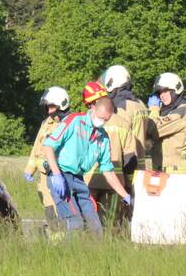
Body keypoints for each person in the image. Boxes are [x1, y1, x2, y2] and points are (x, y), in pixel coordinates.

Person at [42, 82, 132, 236]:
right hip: (61, 176)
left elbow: (108, 172)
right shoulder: (74, 121)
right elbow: (48, 146)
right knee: (75, 224)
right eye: (100, 117)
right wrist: (56, 175)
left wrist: (125, 195)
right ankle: (65, 256)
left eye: (105, 120)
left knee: (96, 228)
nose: (101, 121)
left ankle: (94, 256)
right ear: (93, 108)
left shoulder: (102, 138)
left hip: (79, 179)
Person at [90, 64, 148, 226]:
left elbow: (118, 144)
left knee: (115, 218)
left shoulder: (119, 109)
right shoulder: (141, 105)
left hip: (123, 168)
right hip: (140, 168)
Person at [24, 86, 71, 222]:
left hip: (57, 175)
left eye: (52, 107)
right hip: (44, 176)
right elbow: (37, 148)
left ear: (61, 105)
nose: (49, 110)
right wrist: (29, 169)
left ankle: (64, 239)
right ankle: (54, 240)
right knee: (49, 210)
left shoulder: (67, 124)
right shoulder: (46, 124)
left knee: (61, 210)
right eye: (47, 107)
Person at [147, 72, 186, 175]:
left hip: (175, 173)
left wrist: (154, 110)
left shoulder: (182, 113)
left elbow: (152, 128)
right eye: (159, 93)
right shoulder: (167, 112)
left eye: (165, 91)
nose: (161, 96)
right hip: (161, 170)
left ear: (175, 89)